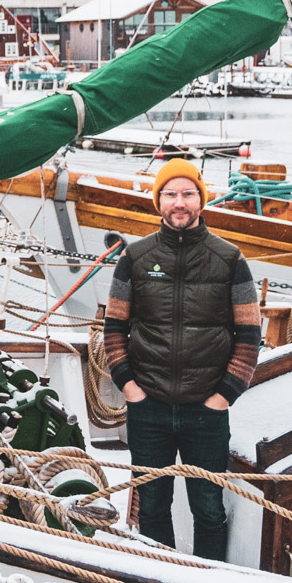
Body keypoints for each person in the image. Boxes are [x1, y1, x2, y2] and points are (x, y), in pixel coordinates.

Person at [102, 158, 261, 560]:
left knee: (208, 510)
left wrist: (224, 396)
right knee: (152, 507)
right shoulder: (135, 258)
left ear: (201, 200)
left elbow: (249, 335)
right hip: (148, 407)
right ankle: (162, 579)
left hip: (206, 410)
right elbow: (114, 328)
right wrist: (130, 389)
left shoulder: (229, 258)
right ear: (158, 201)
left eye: (188, 193)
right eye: (170, 194)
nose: (179, 202)